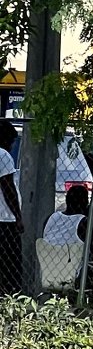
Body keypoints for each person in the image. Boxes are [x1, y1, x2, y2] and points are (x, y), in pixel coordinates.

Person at [42, 184, 93, 308]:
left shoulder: (51, 218)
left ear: (67, 200)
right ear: (85, 203)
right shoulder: (85, 223)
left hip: (49, 272)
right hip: (75, 275)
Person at [0, 120, 21, 295]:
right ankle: (9, 295)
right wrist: (18, 217)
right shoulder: (3, 155)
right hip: (4, 219)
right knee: (9, 264)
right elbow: (8, 188)